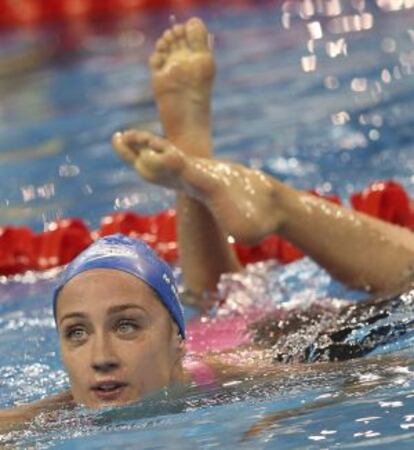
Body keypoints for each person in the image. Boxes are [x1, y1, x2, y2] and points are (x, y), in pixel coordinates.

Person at [1, 16, 414, 432]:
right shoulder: (73, 400)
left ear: (177, 341)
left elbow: (385, 372)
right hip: (200, 329)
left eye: (125, 325)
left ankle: (277, 204)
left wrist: (287, 413)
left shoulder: (241, 380)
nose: (99, 356)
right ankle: (188, 153)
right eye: (76, 333)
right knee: (212, 294)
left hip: (258, 339)